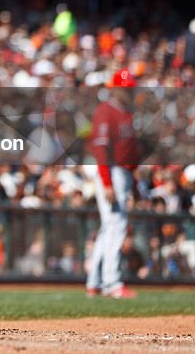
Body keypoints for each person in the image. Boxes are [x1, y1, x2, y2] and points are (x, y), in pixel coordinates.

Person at [85, 69, 140, 298]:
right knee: (116, 225)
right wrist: (107, 182)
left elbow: (131, 151)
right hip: (112, 172)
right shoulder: (106, 111)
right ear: (114, 88)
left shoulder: (126, 113)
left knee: (110, 226)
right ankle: (111, 282)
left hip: (123, 173)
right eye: (125, 88)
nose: (128, 91)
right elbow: (100, 149)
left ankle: (95, 283)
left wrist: (133, 182)